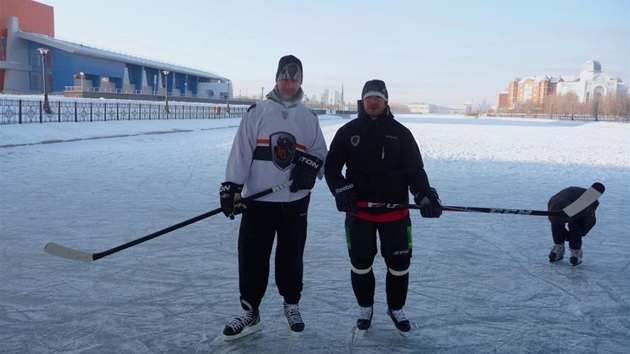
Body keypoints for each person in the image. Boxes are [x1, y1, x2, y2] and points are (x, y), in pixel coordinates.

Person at [219, 55, 328, 340]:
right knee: (252, 256)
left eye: (294, 78)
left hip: (295, 201)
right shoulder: (257, 111)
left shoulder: (309, 117)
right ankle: (250, 311)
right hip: (258, 200)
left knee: (291, 255)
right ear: (276, 78)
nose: (289, 83)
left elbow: (319, 152)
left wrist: (312, 165)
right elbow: (241, 152)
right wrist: (232, 186)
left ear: (300, 80)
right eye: (284, 77)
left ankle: (291, 304)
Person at [324, 79, 442, 335]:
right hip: (360, 213)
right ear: (362, 101)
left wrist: (424, 196)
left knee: (399, 265)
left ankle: (396, 307)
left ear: (386, 101)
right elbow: (331, 167)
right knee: (361, 263)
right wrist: (341, 189)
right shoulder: (348, 132)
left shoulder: (401, 133)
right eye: (369, 98)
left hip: (395, 214)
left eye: (378, 97)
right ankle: (365, 307)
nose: (373, 102)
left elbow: (415, 171)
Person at [547, 186, 599, 266]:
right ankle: (559, 246)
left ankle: (576, 250)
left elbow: (590, 222)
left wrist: (578, 234)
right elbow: (553, 219)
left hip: (584, 202)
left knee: (575, 224)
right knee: (556, 222)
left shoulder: (584, 208)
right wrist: (563, 233)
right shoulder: (552, 202)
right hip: (565, 200)